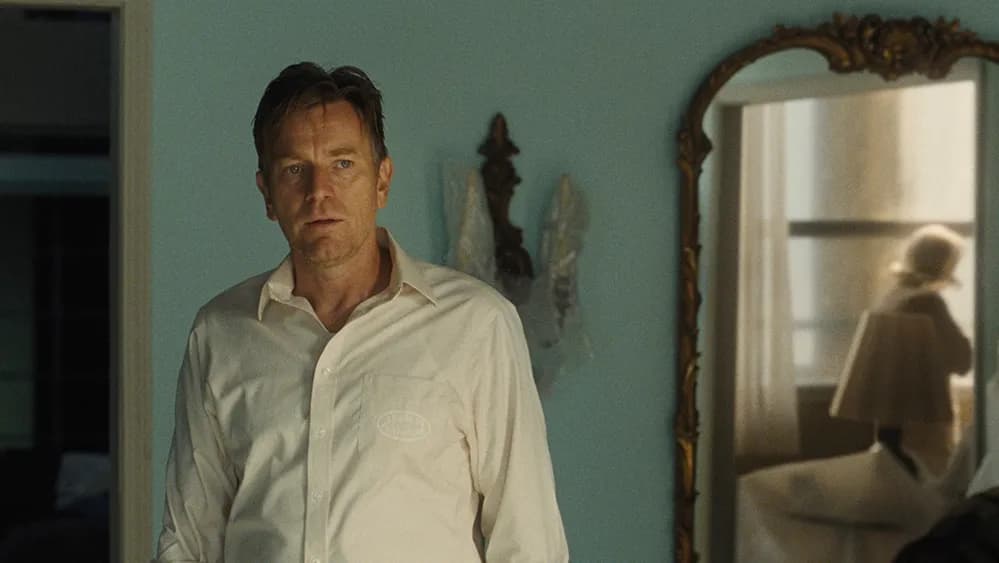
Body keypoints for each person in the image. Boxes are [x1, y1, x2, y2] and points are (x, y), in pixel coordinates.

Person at [154, 62, 568, 562]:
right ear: (267, 194)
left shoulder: (478, 326)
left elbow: (528, 542)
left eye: (343, 163)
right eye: (294, 169)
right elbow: (188, 543)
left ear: (382, 180)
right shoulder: (220, 333)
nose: (319, 191)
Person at [836, 224, 972, 478]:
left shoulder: (893, 298)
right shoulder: (928, 302)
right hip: (923, 415)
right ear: (945, 265)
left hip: (891, 416)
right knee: (929, 478)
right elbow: (962, 360)